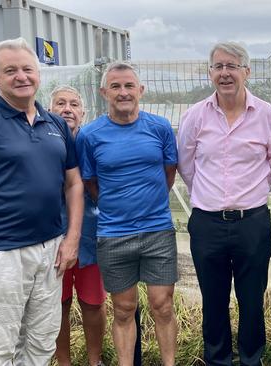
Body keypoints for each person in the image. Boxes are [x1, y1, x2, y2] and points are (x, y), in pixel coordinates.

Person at [0, 37, 83, 365]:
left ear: (39, 74)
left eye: (28, 69)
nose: (21, 76)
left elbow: (73, 184)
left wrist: (71, 239)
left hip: (50, 249)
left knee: (41, 340)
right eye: (10, 70)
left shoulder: (55, 124)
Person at [177, 41, 271, 366]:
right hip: (207, 223)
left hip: (252, 222)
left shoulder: (265, 114)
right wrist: (211, 196)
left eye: (232, 66)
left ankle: (252, 359)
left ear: (246, 72)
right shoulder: (195, 115)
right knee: (213, 300)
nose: (225, 73)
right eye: (218, 66)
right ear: (210, 73)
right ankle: (218, 360)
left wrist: (246, 194)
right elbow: (186, 163)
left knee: (252, 301)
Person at [76, 61, 179, 366]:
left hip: (158, 230)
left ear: (141, 90)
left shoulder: (159, 127)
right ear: (104, 91)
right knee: (123, 309)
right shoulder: (90, 136)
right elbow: (90, 182)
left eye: (129, 86)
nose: (123, 93)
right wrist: (117, 206)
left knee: (162, 305)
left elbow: (168, 173)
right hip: (113, 234)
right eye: (116, 87)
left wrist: (147, 203)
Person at [49, 86, 108, 366]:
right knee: (58, 304)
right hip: (50, 238)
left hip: (90, 236)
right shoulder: (43, 141)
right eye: (60, 103)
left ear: (82, 113)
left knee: (93, 302)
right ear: (50, 110)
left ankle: (95, 360)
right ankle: (64, 361)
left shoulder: (91, 142)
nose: (67, 109)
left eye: (74, 104)